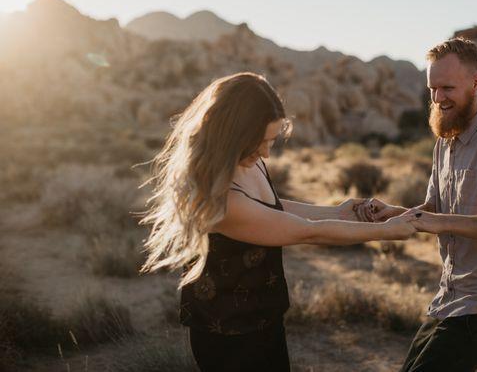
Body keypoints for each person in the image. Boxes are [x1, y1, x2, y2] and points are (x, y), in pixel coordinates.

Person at [140, 72, 417, 372]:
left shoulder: (247, 160)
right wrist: (383, 231)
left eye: (271, 141)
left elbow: (273, 209)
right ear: (234, 134)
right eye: (260, 142)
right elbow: (307, 234)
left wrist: (338, 212)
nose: (266, 153)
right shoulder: (220, 199)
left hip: (262, 320)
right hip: (231, 337)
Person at [357, 38, 477, 372]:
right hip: (451, 297)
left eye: (447, 88)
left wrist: (440, 222)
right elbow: (433, 207)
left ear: (476, 83)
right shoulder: (445, 142)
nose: (438, 98)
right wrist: (392, 212)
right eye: (432, 89)